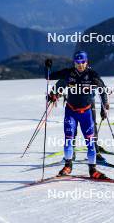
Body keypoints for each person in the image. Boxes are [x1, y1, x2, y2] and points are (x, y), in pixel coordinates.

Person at [45, 51, 109, 179]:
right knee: (68, 139)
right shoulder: (69, 73)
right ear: (74, 62)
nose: (80, 65)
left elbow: (102, 90)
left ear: (87, 62)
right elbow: (51, 78)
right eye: (77, 62)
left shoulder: (92, 75)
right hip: (71, 111)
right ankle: (68, 166)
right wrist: (47, 69)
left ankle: (93, 169)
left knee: (90, 141)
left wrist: (104, 105)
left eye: (82, 62)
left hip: (86, 111)